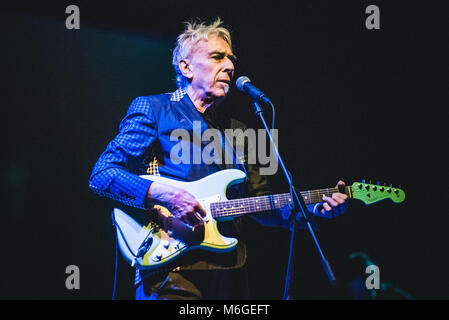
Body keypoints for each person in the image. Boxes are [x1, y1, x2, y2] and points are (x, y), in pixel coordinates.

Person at [89, 18, 349, 300]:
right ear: (185, 67)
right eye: (217, 57)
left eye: (231, 59)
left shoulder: (242, 131)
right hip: (169, 270)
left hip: (230, 272)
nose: (230, 65)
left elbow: (262, 204)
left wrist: (311, 211)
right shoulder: (153, 108)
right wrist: (166, 194)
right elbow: (102, 173)